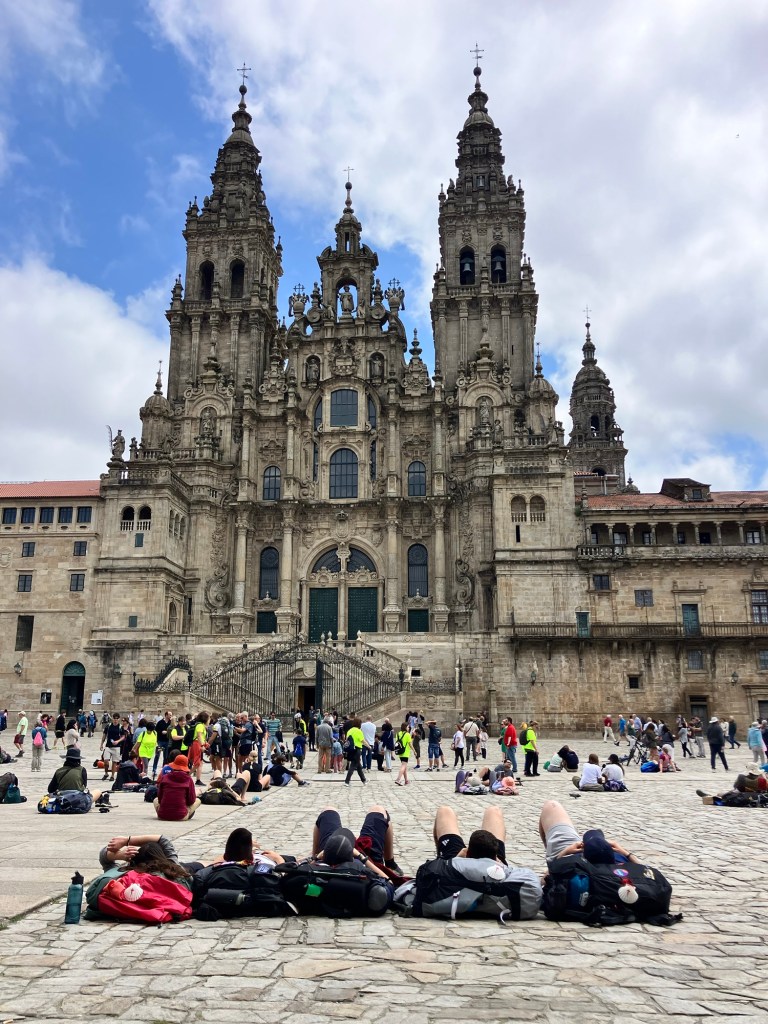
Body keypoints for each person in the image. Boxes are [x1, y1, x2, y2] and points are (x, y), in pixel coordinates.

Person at [311, 804, 402, 877]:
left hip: (330, 858)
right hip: (369, 862)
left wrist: (316, 858)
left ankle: (313, 856)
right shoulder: (365, 881)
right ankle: (390, 864)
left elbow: (305, 868)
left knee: (328, 811)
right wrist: (360, 856)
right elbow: (388, 881)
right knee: (379, 811)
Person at [538, 800, 639, 865]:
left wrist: (566, 852)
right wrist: (625, 853)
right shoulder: (623, 869)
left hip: (566, 858)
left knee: (551, 805)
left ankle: (549, 852)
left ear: (583, 855)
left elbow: (547, 877)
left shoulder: (576, 874)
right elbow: (645, 868)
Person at [432, 802, 508, 864]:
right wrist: (500, 864)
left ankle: (440, 857)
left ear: (467, 853)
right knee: (494, 810)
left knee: (445, 811)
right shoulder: (505, 873)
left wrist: (454, 860)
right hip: (494, 866)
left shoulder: (444, 871)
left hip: (454, 869)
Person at [154, 754, 200, 821]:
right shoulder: (188, 779)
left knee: (155, 800)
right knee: (198, 800)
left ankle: (165, 813)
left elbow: (160, 798)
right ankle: (186, 814)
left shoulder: (165, 777)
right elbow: (191, 801)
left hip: (162, 815)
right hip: (181, 816)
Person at [695, 764, 768, 804]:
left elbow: (738, 783)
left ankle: (709, 797)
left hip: (752, 794)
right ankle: (710, 797)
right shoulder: (760, 779)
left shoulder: (760, 780)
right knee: (725, 794)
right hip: (749, 792)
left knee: (725, 795)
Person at [100, 713, 125, 782]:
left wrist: (118, 741)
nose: (115, 720)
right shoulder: (108, 726)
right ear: (112, 719)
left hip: (116, 747)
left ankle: (112, 776)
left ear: (118, 719)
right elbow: (104, 735)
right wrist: (101, 744)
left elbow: (123, 736)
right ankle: (106, 773)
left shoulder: (120, 727)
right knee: (106, 761)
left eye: (117, 718)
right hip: (108, 746)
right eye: (114, 718)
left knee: (114, 762)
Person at [344, 717, 368, 786]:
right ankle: (347, 781)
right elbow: (362, 740)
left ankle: (364, 780)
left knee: (358, 765)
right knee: (353, 765)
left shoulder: (349, 731)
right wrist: (368, 746)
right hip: (357, 749)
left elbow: (347, 740)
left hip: (351, 750)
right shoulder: (359, 731)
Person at [394, 722, 411, 787]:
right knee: (403, 765)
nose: (409, 728)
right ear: (405, 727)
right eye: (408, 727)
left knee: (404, 767)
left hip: (400, 752)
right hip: (405, 752)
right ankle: (398, 779)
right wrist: (415, 751)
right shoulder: (407, 734)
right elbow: (410, 744)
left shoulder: (398, 733)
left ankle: (406, 780)